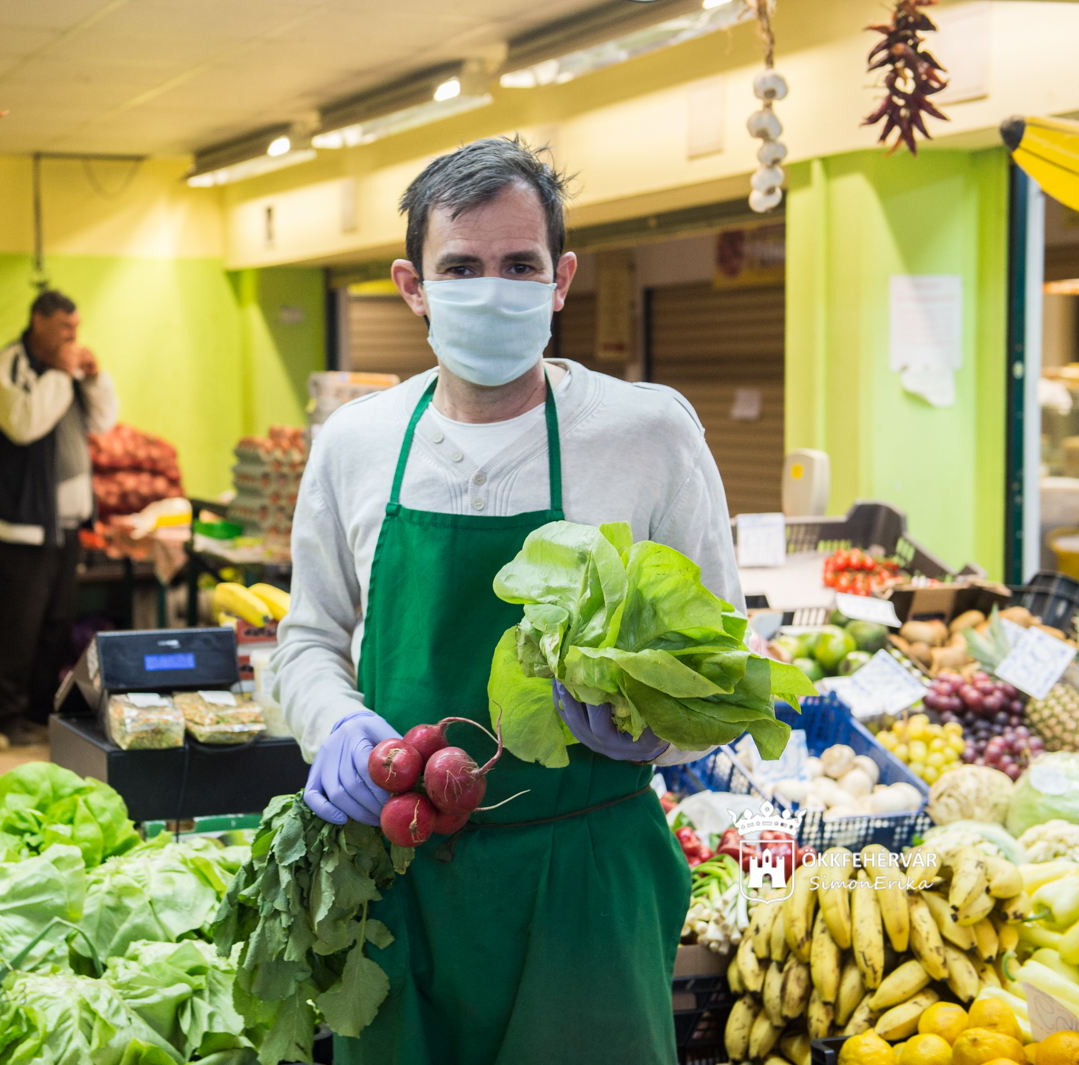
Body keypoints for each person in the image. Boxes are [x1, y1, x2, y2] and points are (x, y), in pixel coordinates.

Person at [272, 136, 744, 1065]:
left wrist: (654, 728)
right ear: (413, 285)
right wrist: (330, 723)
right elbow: (310, 636)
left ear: (561, 280)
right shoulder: (356, 442)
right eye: (462, 267)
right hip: (399, 875)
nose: (493, 288)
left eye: (519, 265)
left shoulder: (647, 433)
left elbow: (727, 665)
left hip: (589, 879)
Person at [0, 289, 119, 747]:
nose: (72, 337)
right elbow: (24, 424)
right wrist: (61, 374)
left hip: (67, 521)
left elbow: (103, 422)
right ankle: (3, 719)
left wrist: (95, 379)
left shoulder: (69, 370)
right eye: (64, 328)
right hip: (23, 524)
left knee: (57, 622)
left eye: (76, 329)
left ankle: (40, 713)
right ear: (38, 321)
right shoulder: (8, 364)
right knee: (19, 623)